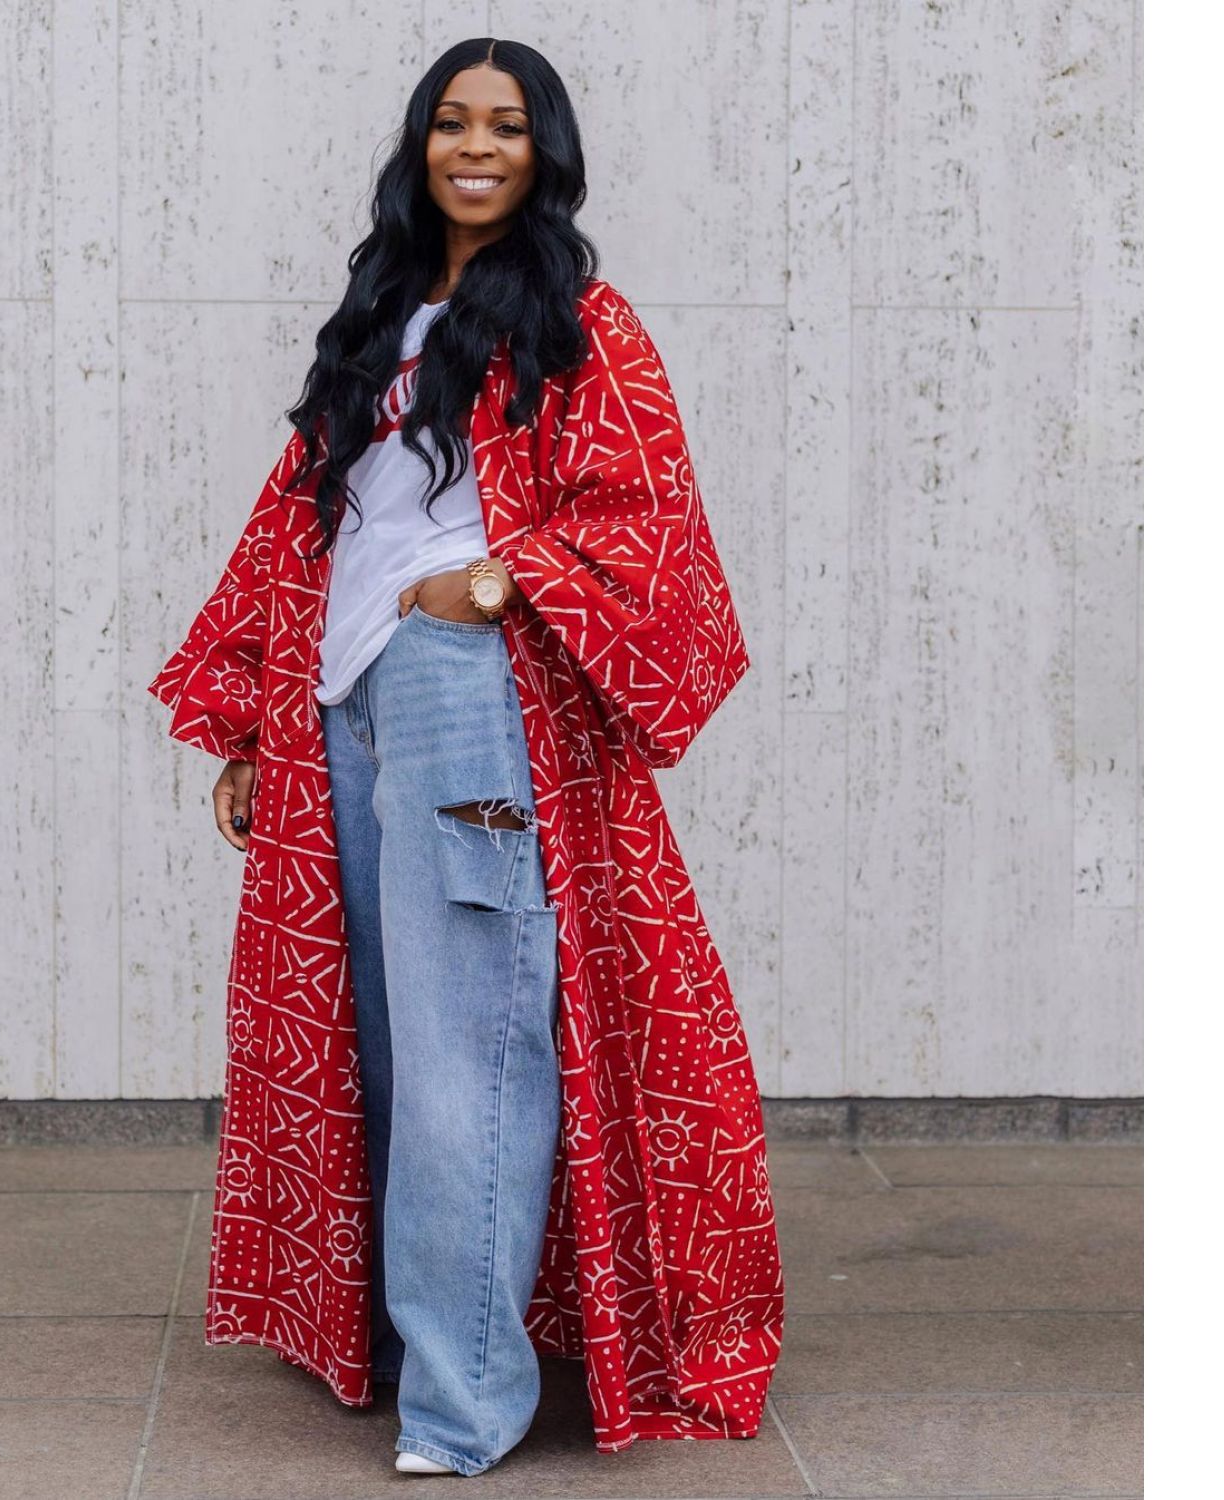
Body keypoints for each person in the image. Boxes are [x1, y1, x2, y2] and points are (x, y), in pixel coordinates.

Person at [148, 36, 784, 1481]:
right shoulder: (380, 314)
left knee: (470, 1046)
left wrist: (487, 585)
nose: (476, 147)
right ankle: (406, 1347)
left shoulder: (580, 321)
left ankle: (465, 1403)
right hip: (341, 697)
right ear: (419, 145)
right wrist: (253, 716)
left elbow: (648, 520)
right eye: (452, 122)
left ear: (544, 151)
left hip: (464, 691)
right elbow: (304, 519)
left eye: (506, 125)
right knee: (370, 1038)